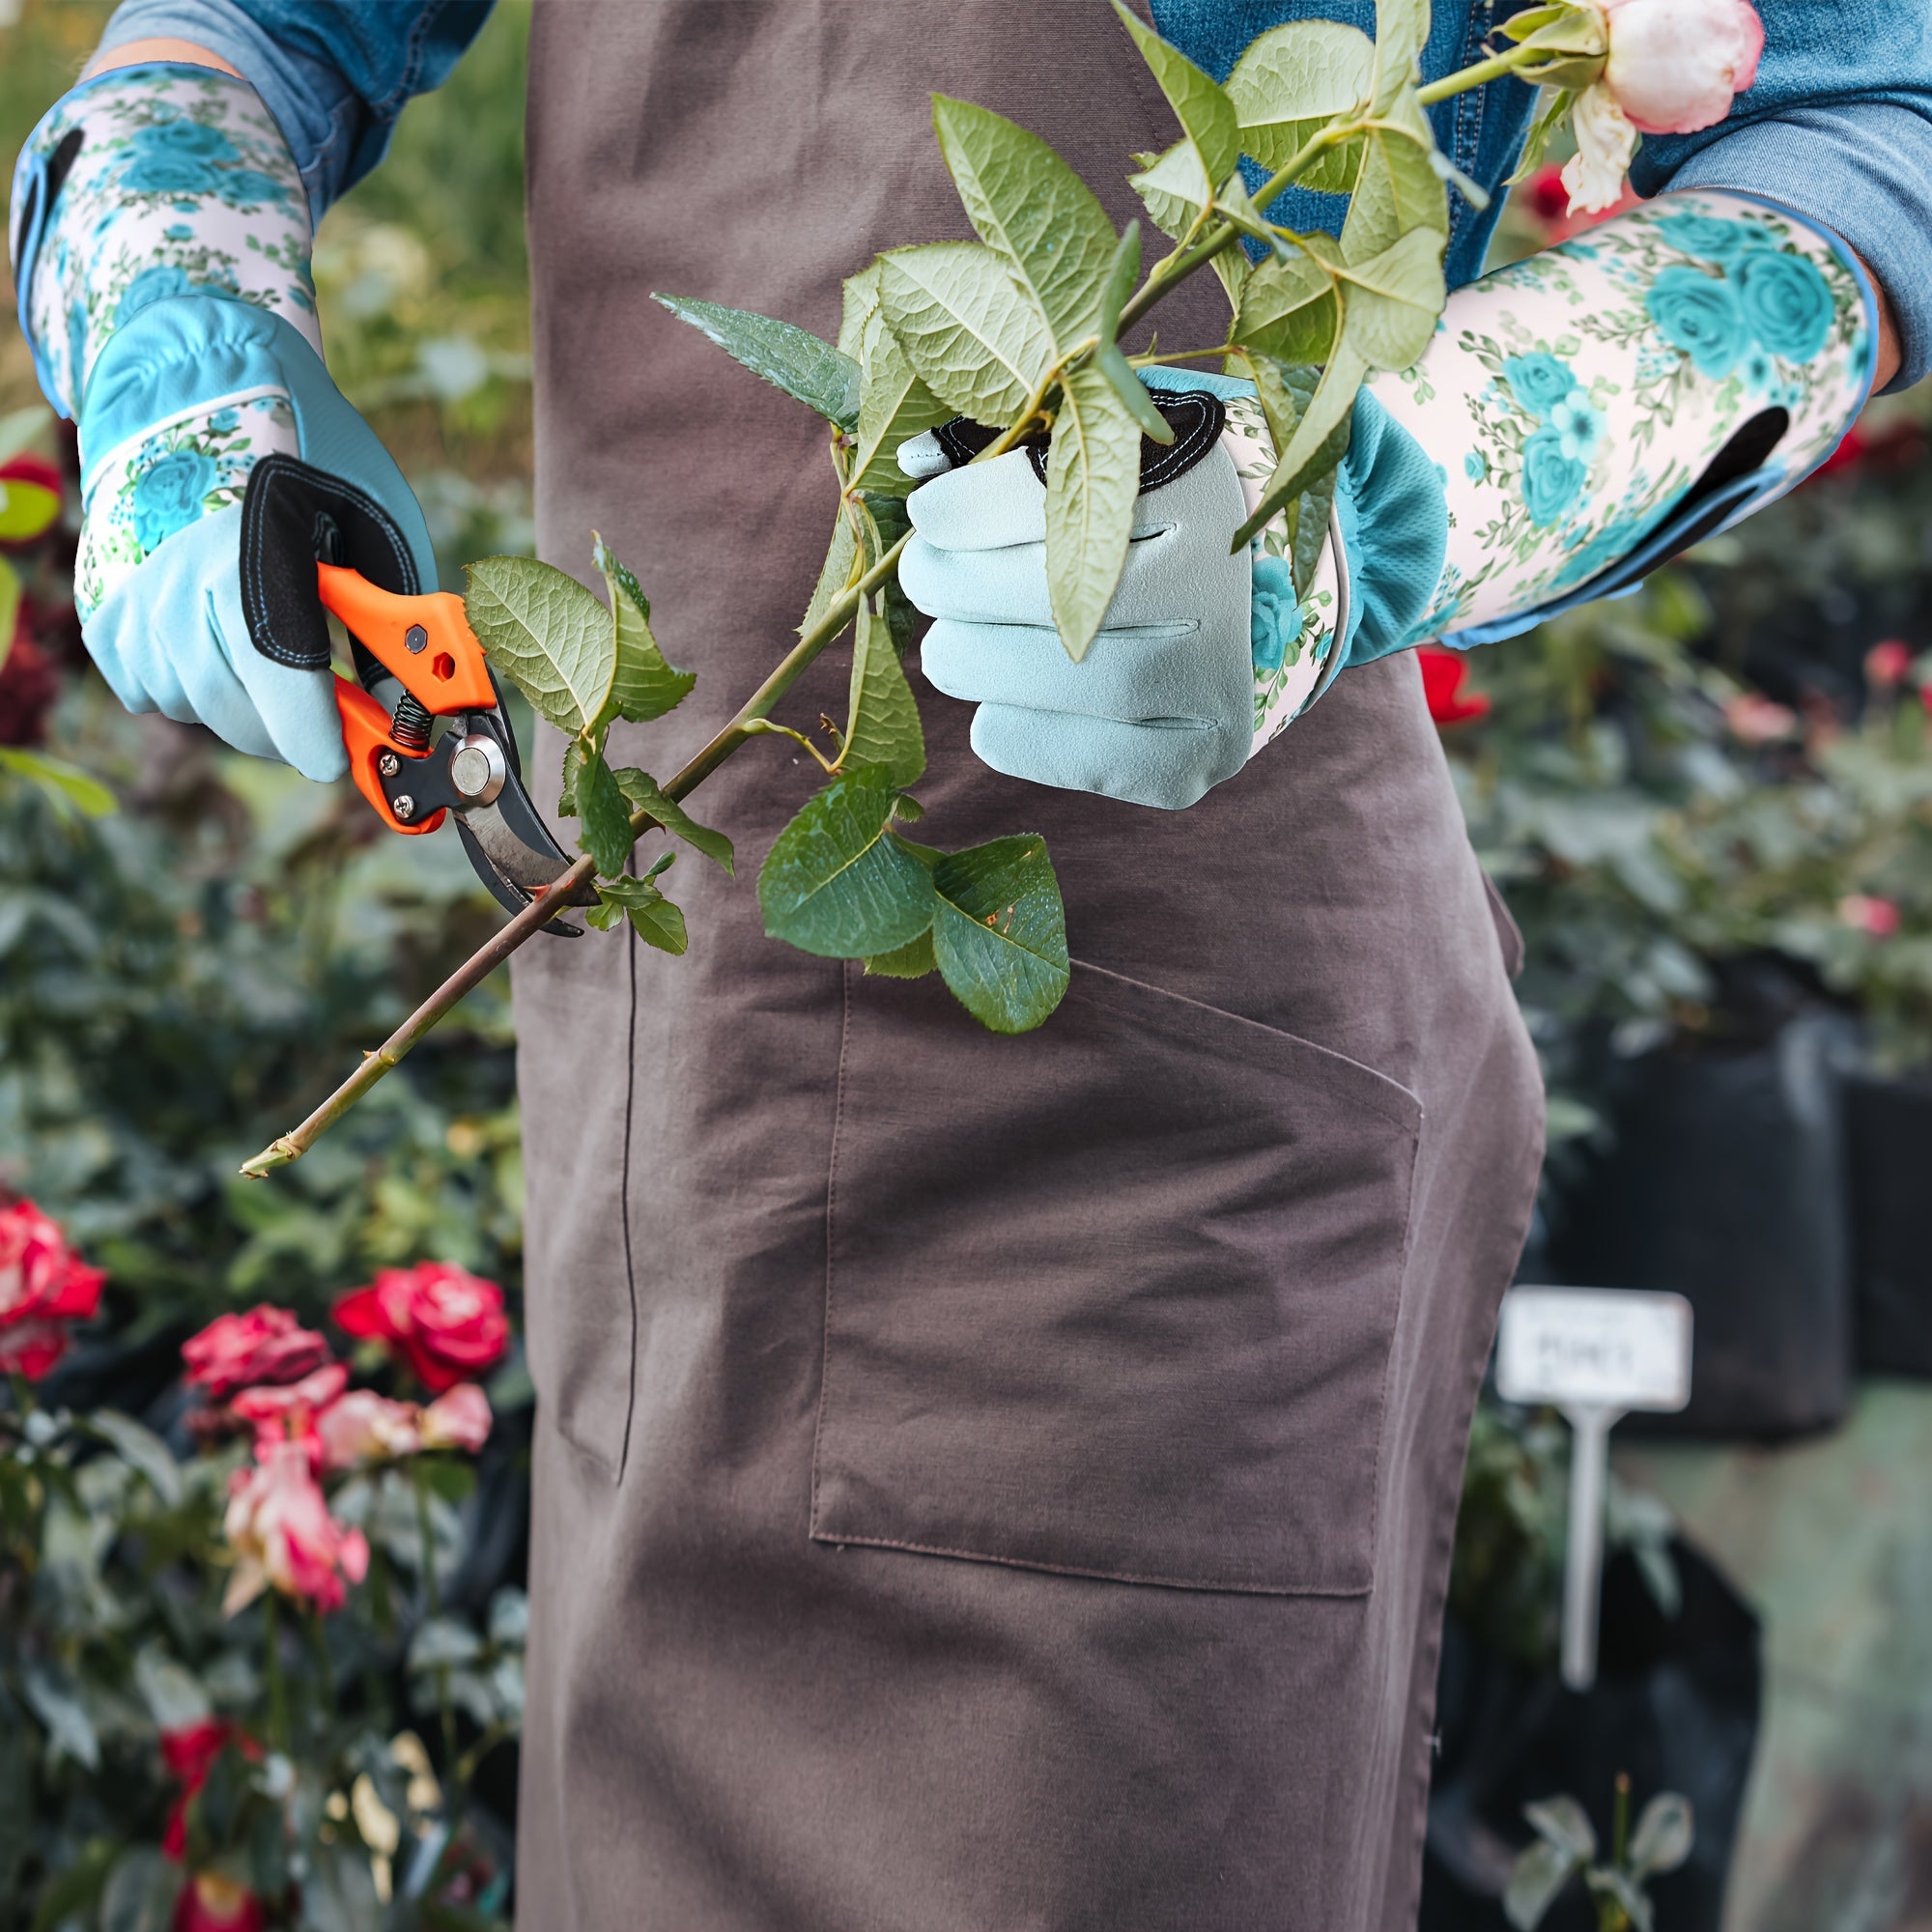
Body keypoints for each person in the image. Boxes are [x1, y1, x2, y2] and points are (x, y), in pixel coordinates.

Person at [8, 4, 1924, 1926]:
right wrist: (178, 329)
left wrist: (1383, 488)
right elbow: (247, 39)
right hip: (675, 1074)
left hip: (1143, 1164)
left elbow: (1867, 142)